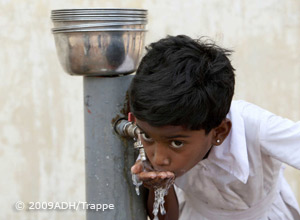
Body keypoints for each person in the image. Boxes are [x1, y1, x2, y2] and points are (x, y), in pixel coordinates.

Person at [129, 35, 300, 220]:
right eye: (147, 136)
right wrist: (159, 188)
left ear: (219, 132)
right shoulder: (154, 134)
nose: (159, 158)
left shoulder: (256, 127)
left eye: (177, 143)